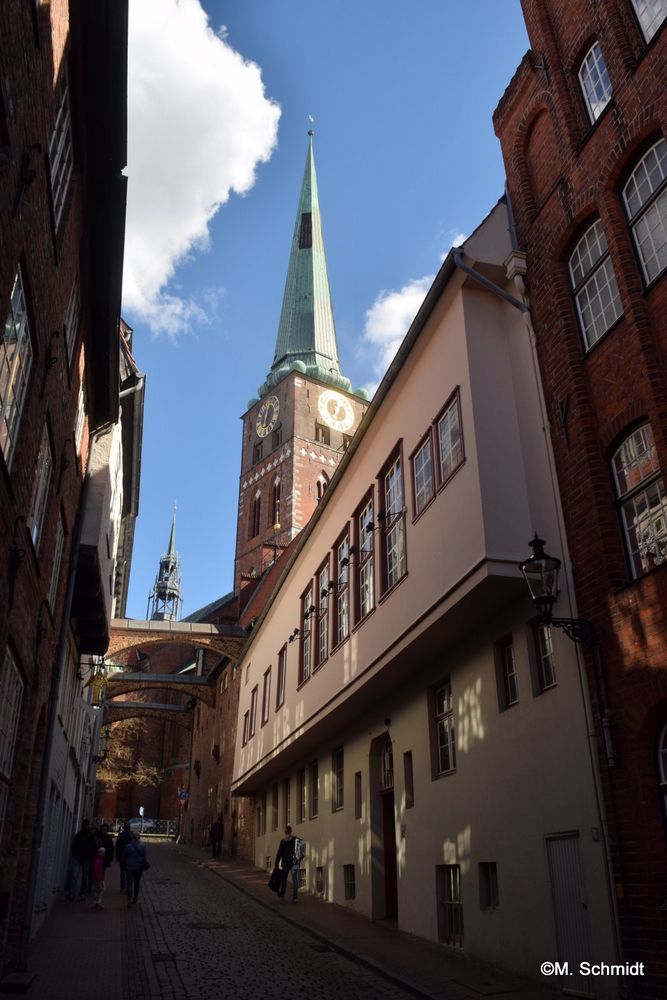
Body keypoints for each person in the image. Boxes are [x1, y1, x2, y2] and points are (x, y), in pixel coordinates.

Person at [66, 819, 96, 901]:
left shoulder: (87, 836)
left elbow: (94, 847)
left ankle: (79, 893)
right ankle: (73, 893)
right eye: (84, 825)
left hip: (84, 857)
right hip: (80, 857)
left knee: (81, 876)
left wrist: (90, 855)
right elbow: (74, 845)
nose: (85, 827)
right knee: (77, 875)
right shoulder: (80, 835)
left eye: (86, 825)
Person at [122, 832, 148, 907]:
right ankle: (135, 897)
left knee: (129, 883)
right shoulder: (143, 846)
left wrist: (124, 864)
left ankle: (130, 898)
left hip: (129, 866)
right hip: (138, 867)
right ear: (139, 838)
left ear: (132, 838)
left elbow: (124, 857)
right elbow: (144, 857)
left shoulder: (128, 846)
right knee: (137, 883)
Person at [275, 825, 298, 903]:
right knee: (295, 880)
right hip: (294, 862)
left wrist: (276, 864)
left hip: (285, 863)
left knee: (284, 879)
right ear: (291, 831)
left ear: (285, 832)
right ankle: (295, 898)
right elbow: (299, 849)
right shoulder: (295, 839)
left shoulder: (283, 841)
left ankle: (282, 894)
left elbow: (279, 853)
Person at [116, 821, 132, 891]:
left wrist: (117, 856)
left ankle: (123, 887)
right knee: (130, 872)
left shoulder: (121, 835)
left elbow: (117, 846)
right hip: (131, 855)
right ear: (129, 827)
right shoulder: (132, 835)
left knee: (122, 871)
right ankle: (129, 886)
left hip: (122, 855)